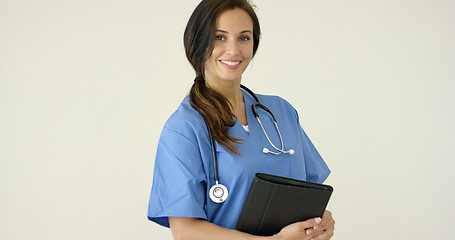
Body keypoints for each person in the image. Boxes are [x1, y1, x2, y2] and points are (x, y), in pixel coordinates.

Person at [147, 0, 335, 239]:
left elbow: (307, 196)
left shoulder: (281, 112)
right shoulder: (184, 129)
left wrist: (321, 223)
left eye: (244, 38)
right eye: (219, 37)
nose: (234, 50)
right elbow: (186, 232)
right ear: (197, 42)